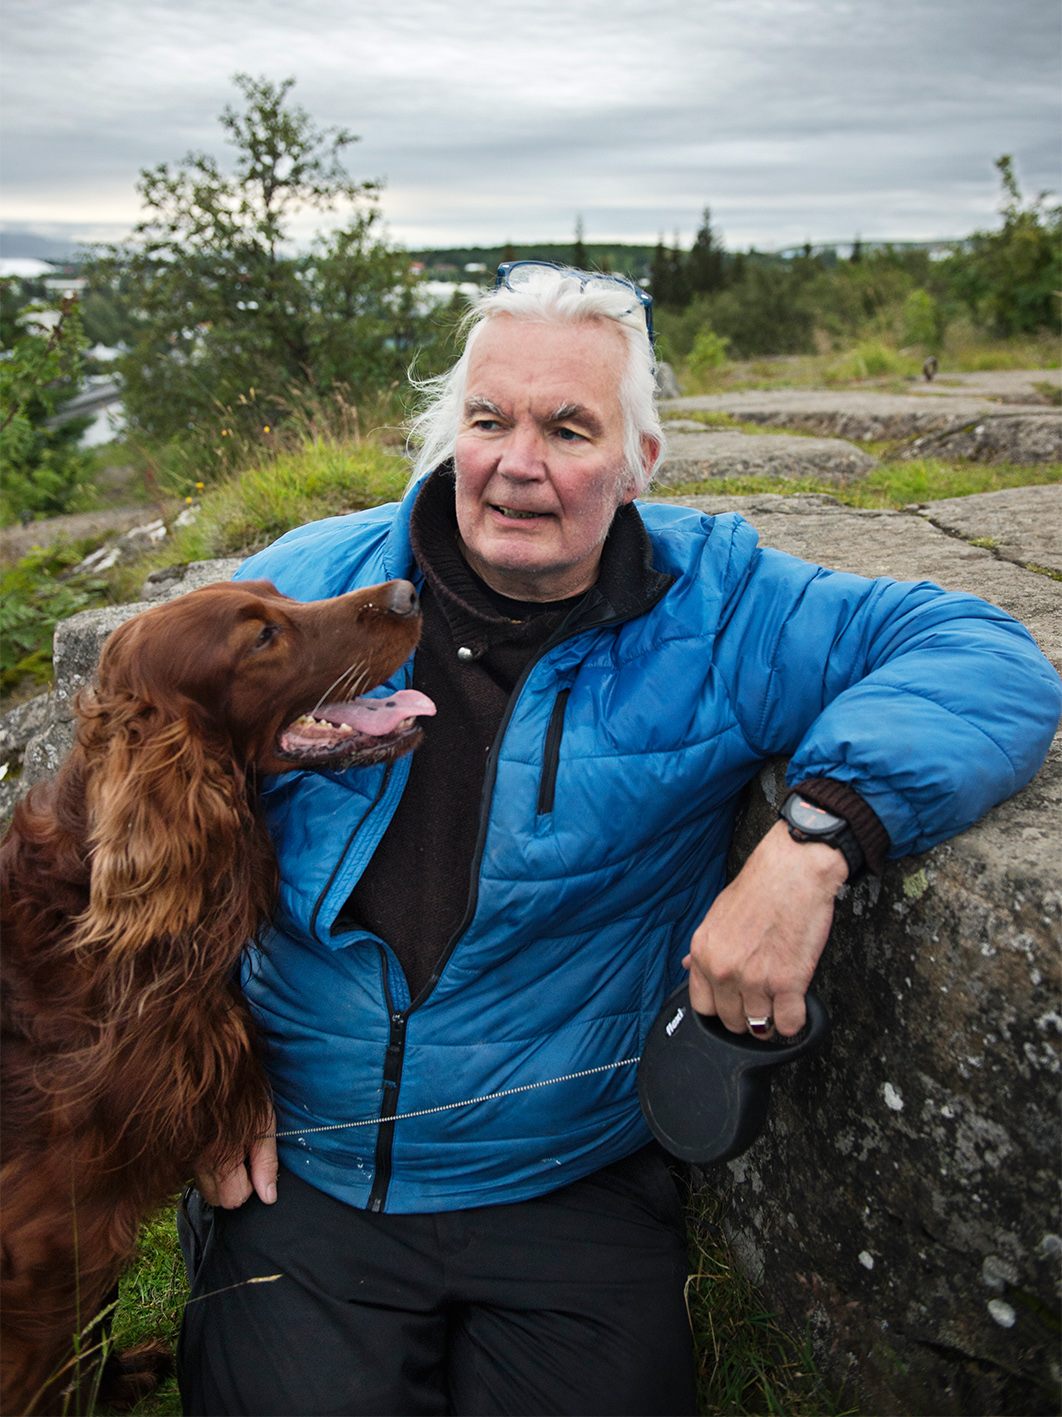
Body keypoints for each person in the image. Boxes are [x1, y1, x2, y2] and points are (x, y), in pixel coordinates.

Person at [177, 263, 1060, 1416]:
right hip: (304, 1164)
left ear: (640, 462)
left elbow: (981, 655)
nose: (517, 463)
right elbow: (136, 817)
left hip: (571, 1177)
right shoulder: (305, 592)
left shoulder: (718, 610)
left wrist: (813, 843)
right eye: (487, 420)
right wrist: (199, 1062)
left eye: (568, 428)